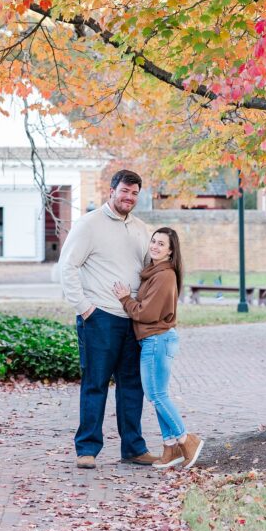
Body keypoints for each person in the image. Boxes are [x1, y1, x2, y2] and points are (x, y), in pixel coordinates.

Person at [59, 169, 158, 469]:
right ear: (112, 190)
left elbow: (147, 271)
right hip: (99, 317)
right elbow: (68, 266)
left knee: (132, 386)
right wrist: (85, 308)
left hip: (132, 319)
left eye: (134, 193)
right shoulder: (89, 225)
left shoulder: (141, 228)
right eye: (124, 191)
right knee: (95, 383)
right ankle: (87, 448)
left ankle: (133, 448)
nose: (129, 197)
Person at [114, 227, 204, 470]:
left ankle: (187, 439)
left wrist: (125, 299)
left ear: (171, 250)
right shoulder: (155, 272)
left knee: (157, 396)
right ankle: (170, 446)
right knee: (157, 395)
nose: (154, 246)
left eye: (161, 244)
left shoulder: (165, 275)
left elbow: (147, 313)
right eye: (153, 241)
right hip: (154, 340)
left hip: (157, 339)